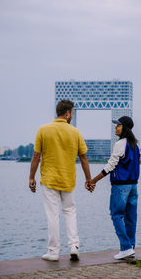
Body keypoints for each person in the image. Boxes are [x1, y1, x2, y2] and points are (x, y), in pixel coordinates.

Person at [29, 100, 94, 262]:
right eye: (71, 112)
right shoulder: (75, 132)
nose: (72, 115)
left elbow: (36, 156)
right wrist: (89, 179)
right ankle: (74, 247)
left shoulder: (43, 130)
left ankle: (53, 252)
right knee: (70, 212)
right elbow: (84, 157)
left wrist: (31, 177)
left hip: (49, 179)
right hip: (68, 179)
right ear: (67, 113)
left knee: (53, 215)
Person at [89, 116, 140, 260]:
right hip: (133, 186)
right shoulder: (135, 145)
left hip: (121, 186)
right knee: (131, 218)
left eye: (118, 125)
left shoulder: (120, 144)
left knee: (116, 215)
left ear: (125, 128)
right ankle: (130, 247)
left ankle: (126, 247)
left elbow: (110, 166)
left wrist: (94, 180)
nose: (115, 128)